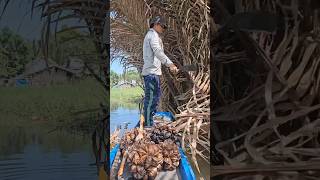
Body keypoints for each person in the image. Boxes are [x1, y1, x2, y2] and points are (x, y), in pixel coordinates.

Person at [142, 16, 178, 127]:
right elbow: (157, 51)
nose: (164, 28)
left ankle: (150, 121)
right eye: (163, 26)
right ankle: (148, 124)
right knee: (151, 99)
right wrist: (170, 64)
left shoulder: (154, 35)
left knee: (155, 98)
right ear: (156, 24)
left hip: (153, 73)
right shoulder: (152, 35)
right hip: (151, 74)